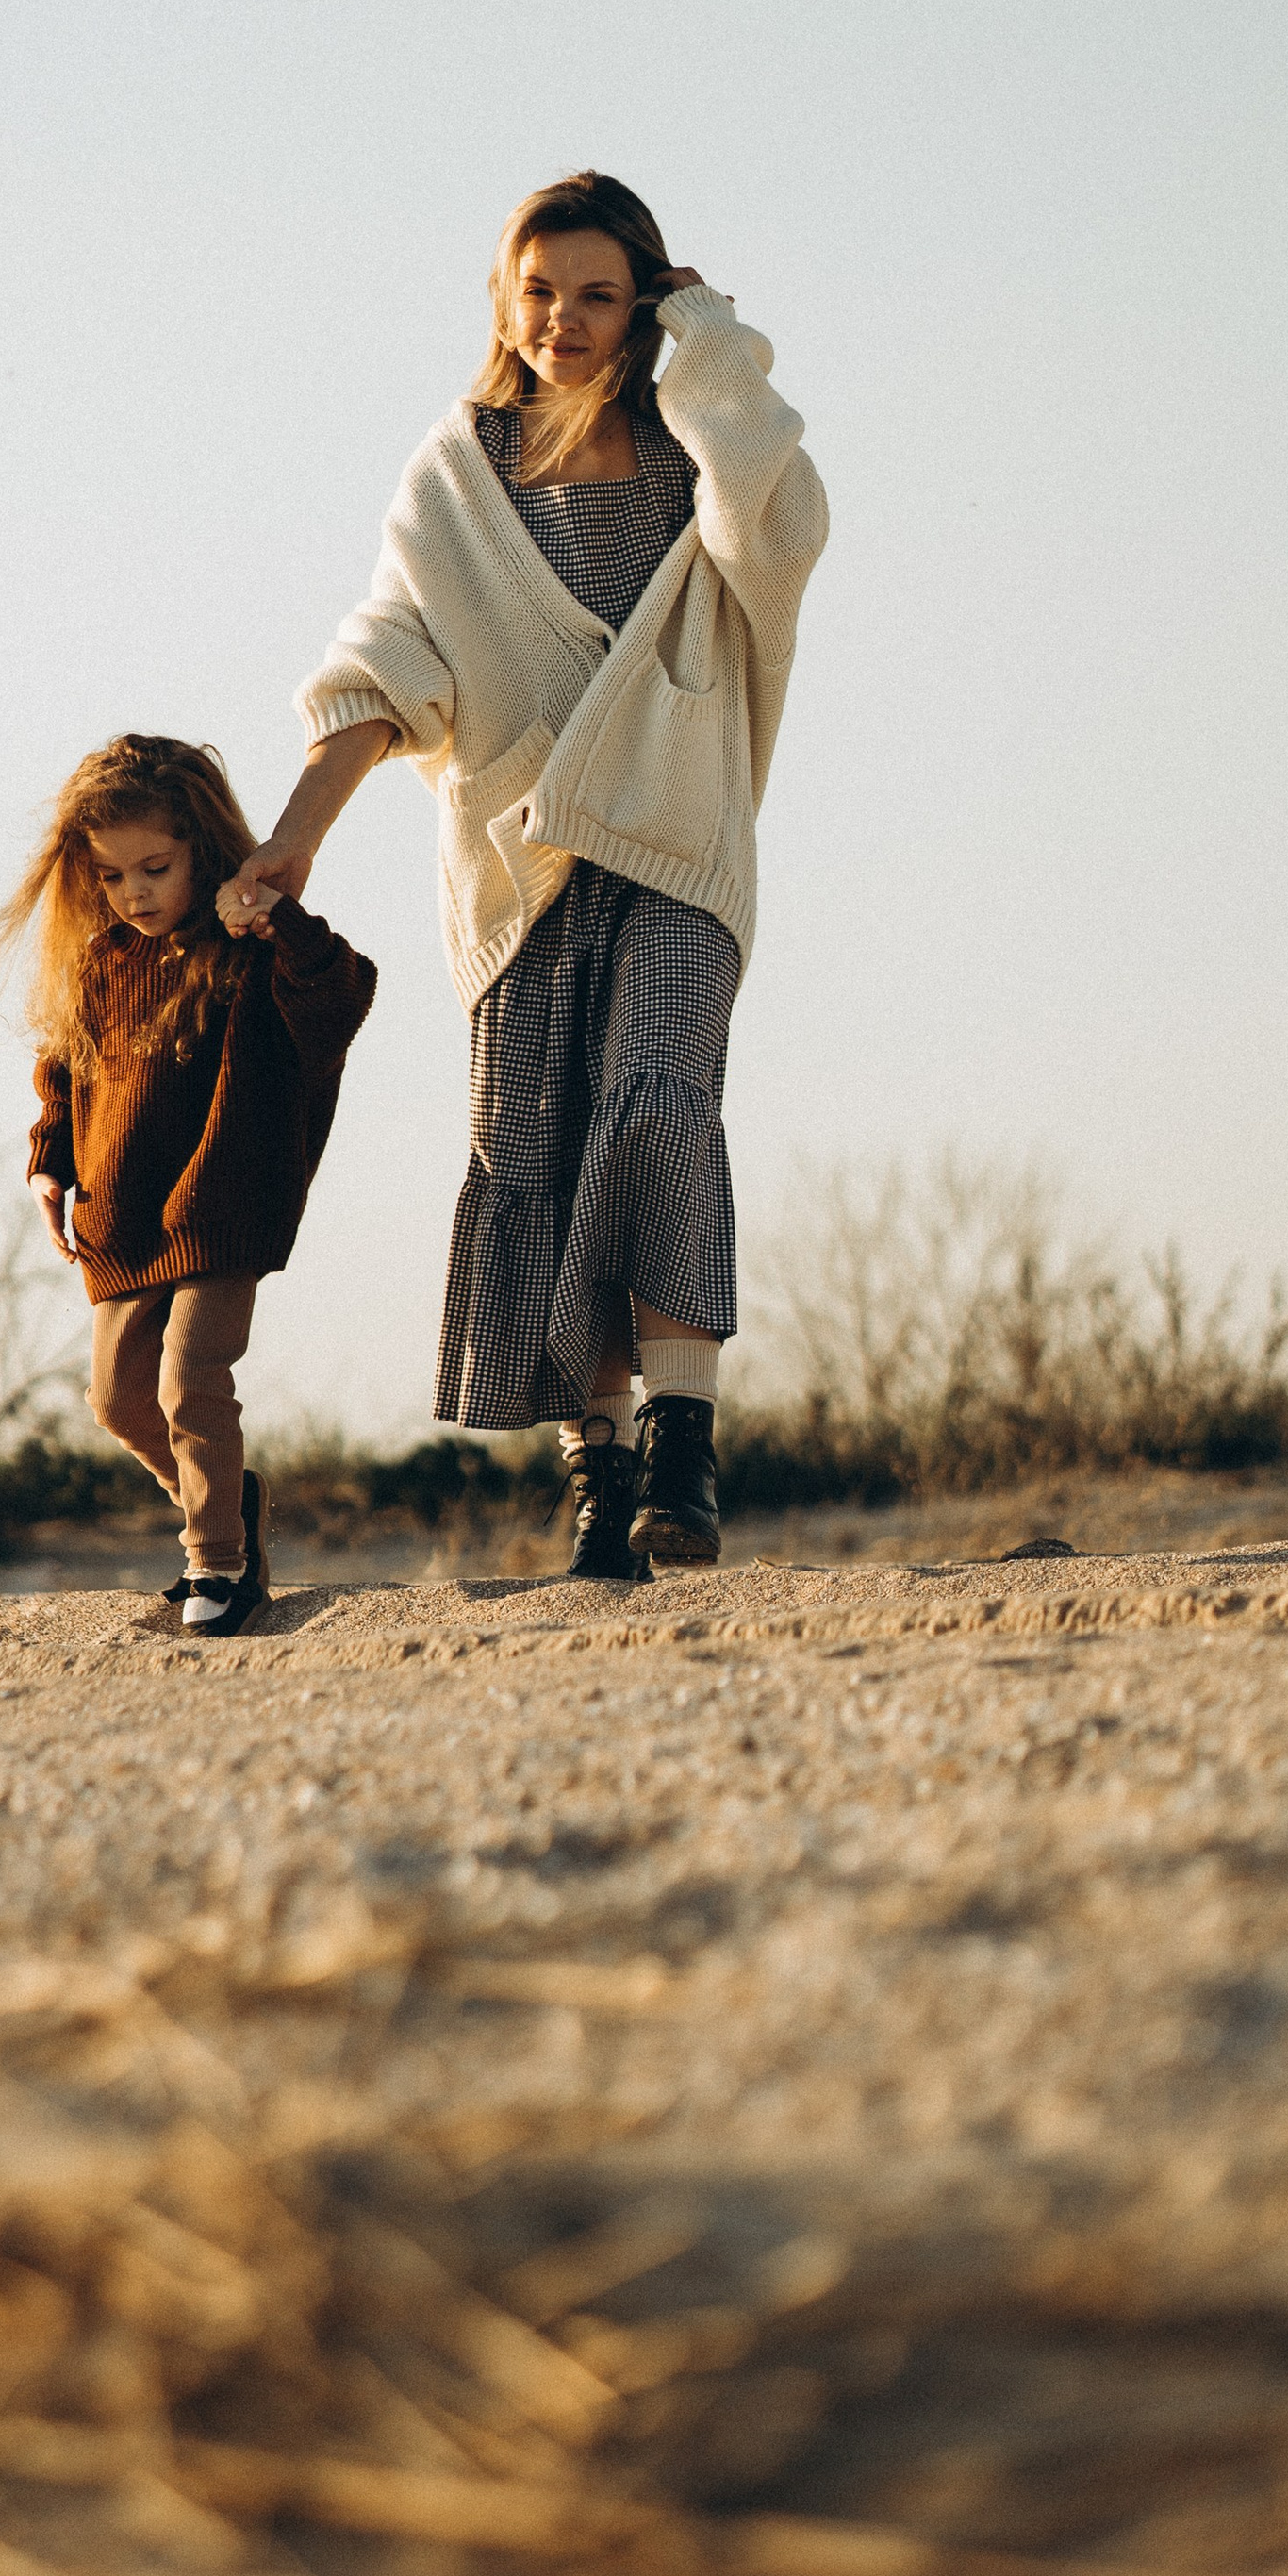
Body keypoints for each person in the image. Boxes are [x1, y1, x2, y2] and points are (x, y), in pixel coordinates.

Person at [220, 171, 826, 1581]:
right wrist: (299, 832)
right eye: (539, 290)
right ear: (506, 296)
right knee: (539, 1147)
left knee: (660, 1099)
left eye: (600, 294)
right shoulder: (458, 467)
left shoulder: (695, 447)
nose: (563, 318)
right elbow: (387, 660)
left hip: (679, 833)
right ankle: (599, 1468)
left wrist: (717, 347)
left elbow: (782, 537)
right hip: (521, 857)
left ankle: (686, 1442)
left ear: (645, 303)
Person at [0, 732, 375, 1637]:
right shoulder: (101, 964)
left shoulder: (249, 948)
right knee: (120, 1401)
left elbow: (342, 996)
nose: (136, 894)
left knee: (190, 1380)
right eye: (113, 876)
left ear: (201, 846)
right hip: (124, 1213)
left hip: (223, 1205)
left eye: (156, 869)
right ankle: (228, 1503)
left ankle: (218, 1565)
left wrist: (277, 916)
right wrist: (52, 1160)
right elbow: (66, 1071)